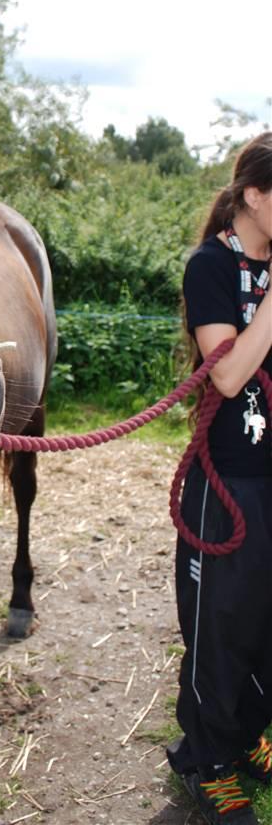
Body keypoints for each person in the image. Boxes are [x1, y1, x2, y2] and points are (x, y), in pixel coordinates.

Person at [167, 131, 272, 824]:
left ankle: (250, 735)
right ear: (255, 196)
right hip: (227, 479)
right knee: (220, 626)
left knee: (266, 620)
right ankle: (207, 760)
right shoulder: (210, 267)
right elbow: (230, 374)